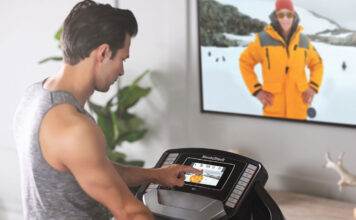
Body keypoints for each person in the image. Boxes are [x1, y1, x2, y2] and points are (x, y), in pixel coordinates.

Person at [13, 1, 201, 219]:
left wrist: (156, 176)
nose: (121, 71)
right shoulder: (74, 127)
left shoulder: (33, 96)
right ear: (102, 53)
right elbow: (130, 213)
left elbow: (94, 167)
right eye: (122, 59)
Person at [239, 0, 323, 120]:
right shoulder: (262, 40)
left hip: (298, 110)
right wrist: (256, 90)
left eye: (288, 14)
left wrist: (313, 87)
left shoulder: (304, 41)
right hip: (273, 110)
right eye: (281, 15)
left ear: (294, 16)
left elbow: (317, 64)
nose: (285, 19)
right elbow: (245, 62)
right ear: (275, 16)